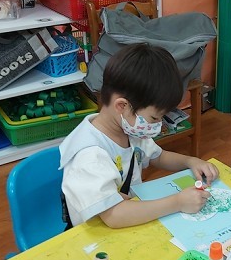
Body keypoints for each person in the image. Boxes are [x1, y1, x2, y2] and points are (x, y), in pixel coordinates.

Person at [59, 42, 218, 228]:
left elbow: (158, 156)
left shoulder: (127, 128)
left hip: (129, 214)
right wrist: (178, 203)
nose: (158, 125)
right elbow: (114, 216)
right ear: (122, 106)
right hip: (95, 233)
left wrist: (191, 161)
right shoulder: (90, 156)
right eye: (154, 118)